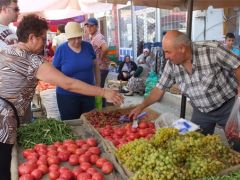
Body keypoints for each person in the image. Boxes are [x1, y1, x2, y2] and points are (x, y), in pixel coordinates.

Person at [0, 14, 123, 179]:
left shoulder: (6, 50)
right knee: (4, 168)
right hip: (4, 123)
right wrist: (103, 91)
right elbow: (68, 84)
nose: (45, 43)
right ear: (31, 38)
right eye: (43, 39)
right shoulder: (31, 61)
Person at [129, 30, 240, 136]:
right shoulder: (171, 64)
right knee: (195, 144)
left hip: (227, 107)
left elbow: (237, 66)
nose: (166, 56)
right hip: (200, 111)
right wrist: (141, 107)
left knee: (236, 142)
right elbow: (159, 89)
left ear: (182, 48)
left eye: (168, 52)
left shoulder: (212, 50)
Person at [53, 22, 101, 120]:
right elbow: (55, 72)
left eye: (79, 37)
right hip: (67, 96)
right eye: (73, 38)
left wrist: (98, 85)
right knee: (71, 124)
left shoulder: (88, 46)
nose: (77, 41)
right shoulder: (61, 50)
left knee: (90, 121)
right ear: (67, 38)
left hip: (88, 92)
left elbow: (95, 65)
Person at [85, 17, 109, 106]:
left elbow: (105, 48)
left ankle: (101, 108)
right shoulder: (94, 37)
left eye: (92, 26)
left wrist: (101, 59)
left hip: (101, 68)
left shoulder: (97, 37)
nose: (89, 28)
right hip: (100, 67)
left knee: (99, 88)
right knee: (100, 88)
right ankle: (102, 107)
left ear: (96, 27)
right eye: (88, 26)